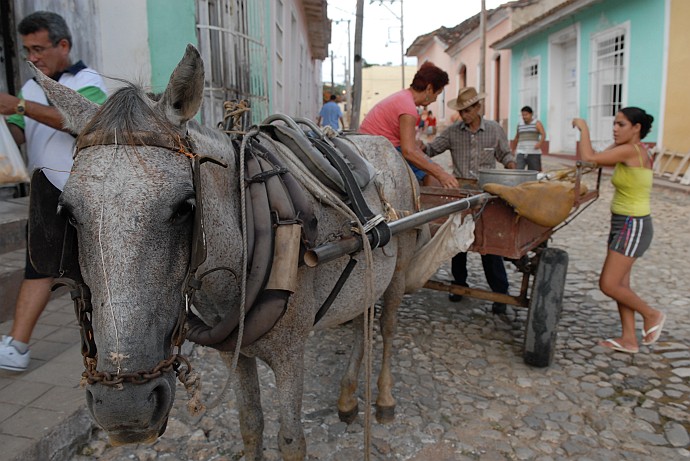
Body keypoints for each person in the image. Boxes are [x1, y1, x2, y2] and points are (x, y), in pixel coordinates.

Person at [0, 11, 107, 371]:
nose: (33, 57)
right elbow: (18, 131)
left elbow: (86, 122)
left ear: (63, 45)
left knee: (87, 273)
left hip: (82, 194)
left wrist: (17, 106)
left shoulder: (87, 81)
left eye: (39, 49)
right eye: (27, 50)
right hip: (46, 194)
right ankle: (18, 345)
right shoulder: (31, 86)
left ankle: (21, 345)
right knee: (40, 268)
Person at [572, 107, 665, 353]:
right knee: (622, 284)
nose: (615, 128)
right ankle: (628, 339)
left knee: (609, 284)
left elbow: (589, 157)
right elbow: (597, 157)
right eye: (614, 123)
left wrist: (583, 128)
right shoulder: (628, 149)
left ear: (636, 128)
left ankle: (651, 314)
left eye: (621, 125)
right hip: (623, 223)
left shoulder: (630, 150)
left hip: (632, 224)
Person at [424, 87, 516, 314]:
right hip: (460, 194)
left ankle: (500, 294)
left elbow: (505, 156)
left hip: (488, 195)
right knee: (457, 242)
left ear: (478, 108)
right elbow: (432, 149)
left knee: (490, 245)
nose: (463, 115)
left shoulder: (494, 129)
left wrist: (514, 176)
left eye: (467, 110)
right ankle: (459, 285)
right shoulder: (453, 132)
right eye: (461, 111)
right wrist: (416, 146)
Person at [359, 62, 458, 188]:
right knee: (433, 176)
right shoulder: (408, 108)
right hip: (377, 150)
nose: (435, 99)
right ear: (429, 89)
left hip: (373, 145)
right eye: (437, 94)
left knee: (429, 165)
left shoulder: (403, 97)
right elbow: (409, 152)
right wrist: (441, 174)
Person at [512, 106, 546, 171]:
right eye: (523, 115)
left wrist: (539, 143)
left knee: (534, 172)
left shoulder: (537, 123)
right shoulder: (520, 125)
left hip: (533, 152)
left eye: (526, 115)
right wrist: (513, 149)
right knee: (518, 171)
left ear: (531, 114)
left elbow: (543, 134)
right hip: (521, 152)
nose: (524, 117)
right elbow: (516, 138)